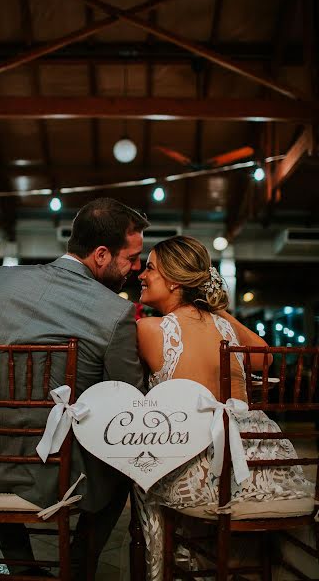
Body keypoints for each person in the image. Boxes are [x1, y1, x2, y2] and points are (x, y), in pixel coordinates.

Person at [0, 197, 149, 579]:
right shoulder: (116, 311)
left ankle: (22, 567)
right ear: (101, 254)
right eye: (132, 257)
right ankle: (76, 568)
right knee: (121, 474)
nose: (136, 268)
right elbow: (127, 399)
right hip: (57, 470)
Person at [135, 236, 313, 581]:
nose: (142, 275)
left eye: (150, 267)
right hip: (262, 467)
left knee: (142, 470)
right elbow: (265, 356)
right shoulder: (226, 328)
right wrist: (214, 308)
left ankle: (184, 562)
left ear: (174, 280)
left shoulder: (149, 329)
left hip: (206, 472)